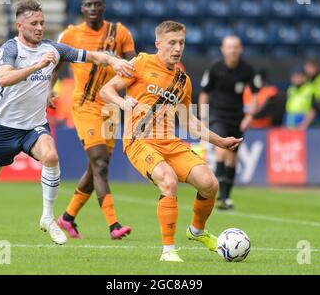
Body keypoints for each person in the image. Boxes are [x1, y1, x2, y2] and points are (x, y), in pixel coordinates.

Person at [0, 0, 133, 247]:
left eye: (42, 23)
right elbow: (4, 78)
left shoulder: (52, 48)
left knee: (50, 156)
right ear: (20, 26)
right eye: (34, 24)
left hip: (34, 127)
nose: (40, 28)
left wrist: (112, 61)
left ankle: (48, 218)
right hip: (5, 128)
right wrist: (38, 65)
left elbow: (88, 55)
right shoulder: (10, 49)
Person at [100, 20, 242, 262]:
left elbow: (190, 122)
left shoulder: (182, 81)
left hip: (170, 142)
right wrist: (124, 104)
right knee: (168, 180)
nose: (178, 48)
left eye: (182, 43)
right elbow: (106, 90)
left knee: (210, 184)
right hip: (139, 140)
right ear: (158, 44)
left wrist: (220, 142)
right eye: (172, 43)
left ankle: (196, 231)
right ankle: (168, 251)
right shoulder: (142, 62)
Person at [53, 0, 136, 240]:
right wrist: (49, 90)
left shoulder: (119, 33)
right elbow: (56, 65)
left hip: (111, 108)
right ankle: (113, 225)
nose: (92, 8)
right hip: (85, 105)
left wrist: (133, 96)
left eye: (96, 4)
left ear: (103, 7)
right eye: (88, 4)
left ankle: (67, 218)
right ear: (81, 8)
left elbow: (134, 66)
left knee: (96, 166)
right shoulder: (71, 34)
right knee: (99, 162)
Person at [198, 36, 259, 211]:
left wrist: (250, 116)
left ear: (241, 49)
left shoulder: (248, 70)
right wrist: (203, 117)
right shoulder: (214, 68)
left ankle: (225, 197)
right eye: (229, 47)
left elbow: (255, 94)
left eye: (235, 47)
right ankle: (216, 194)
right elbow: (204, 93)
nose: (232, 50)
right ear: (223, 49)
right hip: (217, 115)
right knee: (221, 150)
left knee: (232, 157)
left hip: (237, 117)